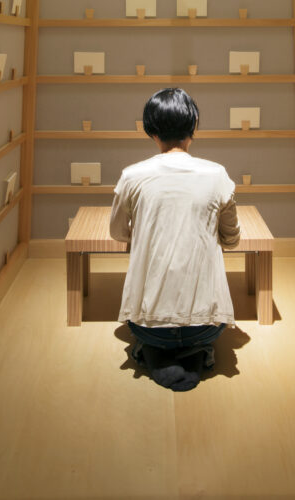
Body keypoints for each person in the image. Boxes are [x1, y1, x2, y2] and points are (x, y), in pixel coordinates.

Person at [110, 88, 240, 391]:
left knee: (143, 330)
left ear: (151, 131)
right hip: (208, 328)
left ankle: (156, 350)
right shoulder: (217, 175)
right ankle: (197, 350)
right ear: (193, 128)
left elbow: (117, 233)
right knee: (203, 328)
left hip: (146, 329)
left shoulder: (132, 176)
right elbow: (231, 240)